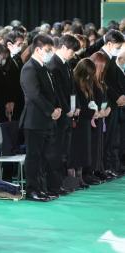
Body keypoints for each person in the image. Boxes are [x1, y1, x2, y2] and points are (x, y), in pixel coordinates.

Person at [20, 34, 62, 202]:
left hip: (46, 119)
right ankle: (32, 190)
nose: (50, 53)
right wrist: (51, 110)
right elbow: (34, 95)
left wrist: (57, 107)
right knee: (34, 157)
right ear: (37, 49)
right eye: (48, 50)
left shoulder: (43, 67)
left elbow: (52, 92)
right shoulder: (29, 68)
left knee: (44, 156)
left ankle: (41, 187)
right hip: (34, 120)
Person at [46, 34, 81, 195]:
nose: (73, 54)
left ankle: (61, 183)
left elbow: (72, 88)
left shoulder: (66, 64)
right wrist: (67, 109)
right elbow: (57, 93)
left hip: (68, 113)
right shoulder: (53, 64)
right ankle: (54, 184)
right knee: (56, 151)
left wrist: (76, 106)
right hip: (60, 114)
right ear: (64, 48)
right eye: (72, 51)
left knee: (63, 151)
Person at [67, 58, 99, 190]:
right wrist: (92, 113)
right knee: (74, 153)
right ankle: (73, 180)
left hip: (85, 123)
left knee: (83, 153)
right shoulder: (74, 82)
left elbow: (89, 102)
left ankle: (80, 178)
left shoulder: (86, 83)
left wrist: (94, 111)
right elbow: (77, 105)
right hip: (77, 122)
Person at [100, 30, 125, 175]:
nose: (119, 50)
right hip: (106, 104)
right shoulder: (101, 57)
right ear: (109, 44)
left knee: (113, 137)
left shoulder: (110, 58)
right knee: (107, 138)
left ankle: (110, 166)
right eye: (118, 46)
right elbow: (103, 82)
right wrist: (116, 97)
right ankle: (105, 167)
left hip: (114, 103)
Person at [89, 51, 113, 182]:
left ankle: (99, 168)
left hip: (102, 116)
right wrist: (97, 112)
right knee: (94, 144)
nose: (103, 69)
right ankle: (93, 169)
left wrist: (108, 108)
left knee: (100, 144)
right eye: (101, 66)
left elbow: (106, 99)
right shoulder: (91, 82)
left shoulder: (101, 81)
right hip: (94, 117)